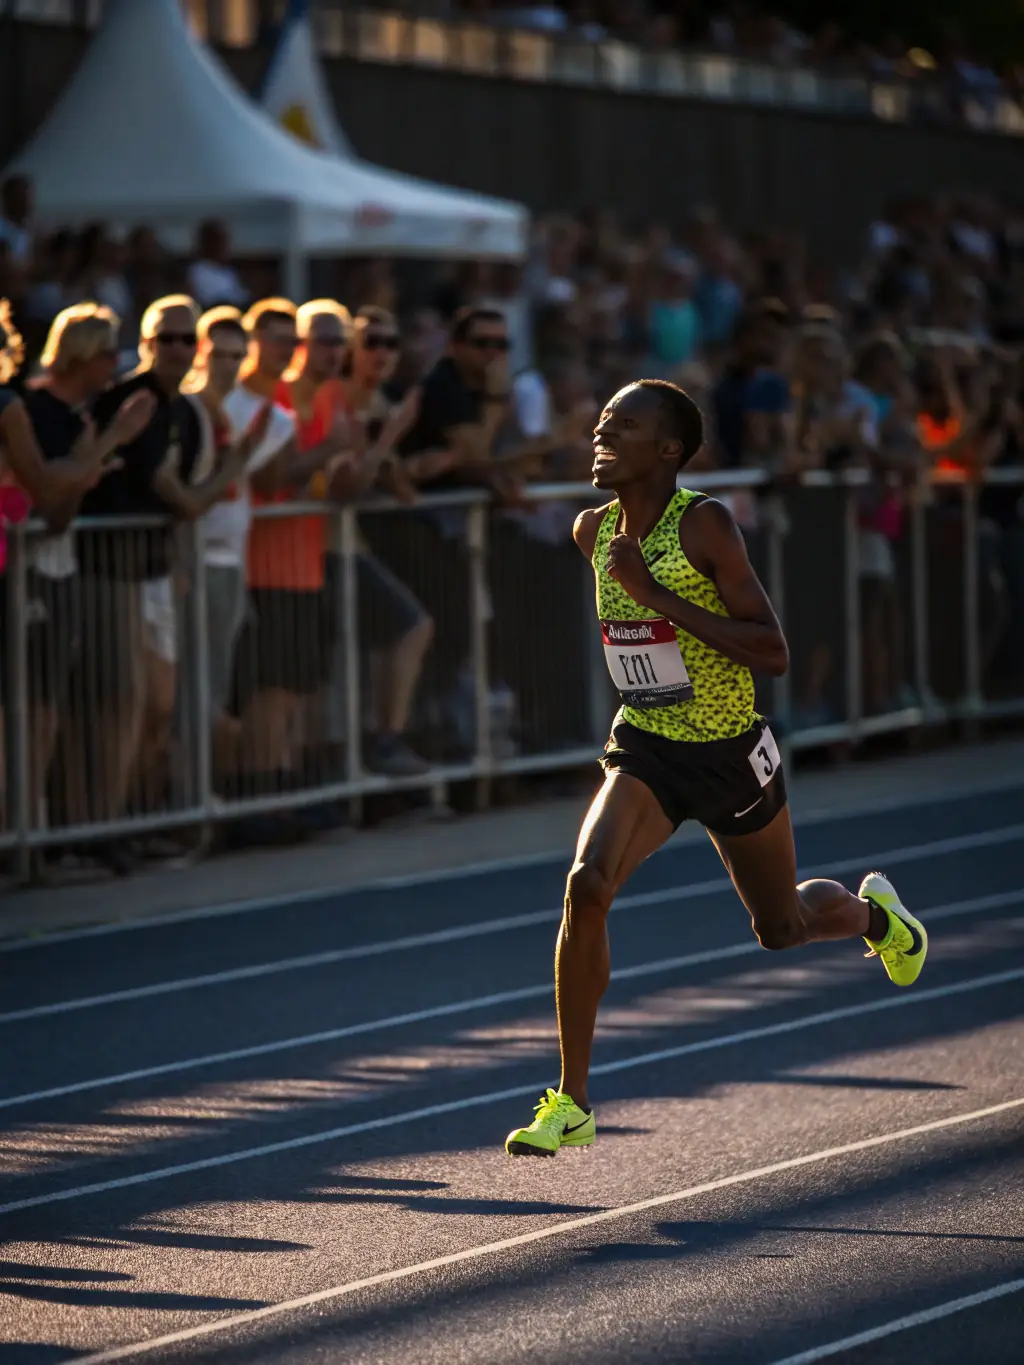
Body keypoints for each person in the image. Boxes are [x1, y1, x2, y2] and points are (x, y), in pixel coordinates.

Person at [504, 379, 928, 1157]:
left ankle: (878, 918)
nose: (599, 432)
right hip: (647, 743)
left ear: (668, 449)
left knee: (781, 929)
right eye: (599, 420)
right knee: (585, 885)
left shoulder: (705, 524)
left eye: (620, 425)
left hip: (730, 750)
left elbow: (773, 650)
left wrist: (654, 594)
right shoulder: (590, 530)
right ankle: (572, 1099)